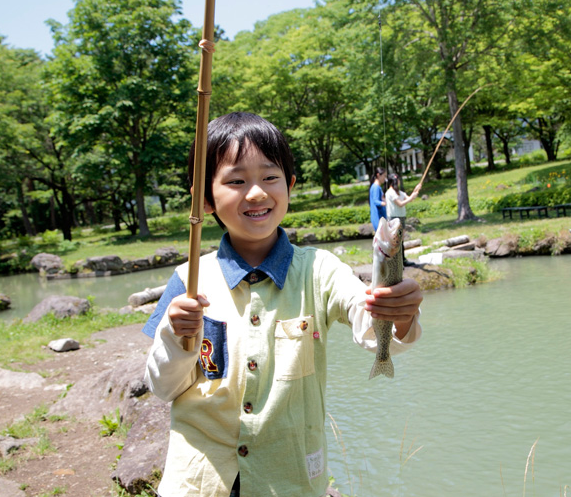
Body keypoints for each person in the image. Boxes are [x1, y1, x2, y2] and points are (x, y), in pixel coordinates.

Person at [142, 112, 423, 497]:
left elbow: (366, 318)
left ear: (289, 185)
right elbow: (162, 386)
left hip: (290, 481)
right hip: (199, 483)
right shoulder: (188, 280)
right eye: (236, 181)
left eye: (270, 177)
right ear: (205, 198)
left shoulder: (320, 270)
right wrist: (177, 335)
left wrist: (399, 314)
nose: (256, 193)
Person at [385, 174, 422, 267]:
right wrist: (411, 196)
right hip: (393, 218)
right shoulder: (390, 193)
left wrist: (416, 190)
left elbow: (409, 199)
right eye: (397, 180)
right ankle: (395, 262)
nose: (398, 182)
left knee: (401, 240)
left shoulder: (399, 193)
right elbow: (400, 204)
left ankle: (402, 260)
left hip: (401, 217)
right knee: (395, 241)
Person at [369, 166, 387, 231]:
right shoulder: (375, 187)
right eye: (384, 176)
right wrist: (385, 203)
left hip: (381, 217)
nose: (385, 178)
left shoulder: (378, 187)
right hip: (378, 217)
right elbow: (376, 201)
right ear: (378, 175)